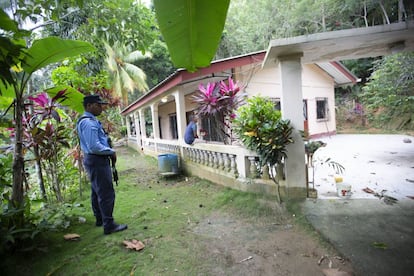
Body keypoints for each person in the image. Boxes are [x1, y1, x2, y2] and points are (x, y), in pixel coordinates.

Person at [76, 95, 127, 235]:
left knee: (96, 190)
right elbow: (94, 146)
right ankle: (108, 225)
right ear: (89, 106)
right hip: (97, 159)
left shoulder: (89, 121)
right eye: (98, 105)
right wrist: (111, 151)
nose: (101, 107)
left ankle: (100, 219)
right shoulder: (88, 123)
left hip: (93, 160)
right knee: (106, 193)